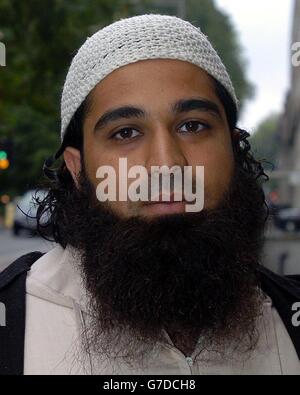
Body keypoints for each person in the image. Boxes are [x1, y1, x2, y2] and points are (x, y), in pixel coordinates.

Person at [0, 14, 299, 375]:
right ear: (78, 170)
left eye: (193, 126)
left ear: (234, 150)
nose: (166, 163)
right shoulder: (12, 324)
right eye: (126, 133)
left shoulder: (289, 314)